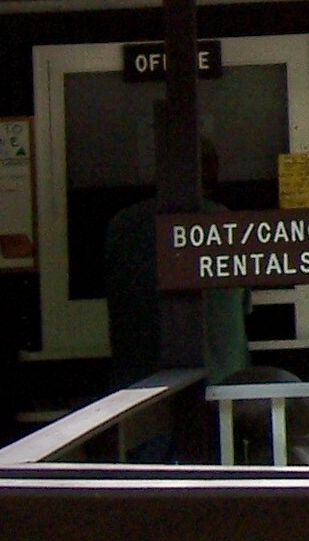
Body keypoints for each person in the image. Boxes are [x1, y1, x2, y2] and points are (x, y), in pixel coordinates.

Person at [102, 133, 248, 389]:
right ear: (209, 172)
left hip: (138, 388)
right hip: (221, 383)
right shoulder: (227, 223)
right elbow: (242, 304)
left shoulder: (123, 226)